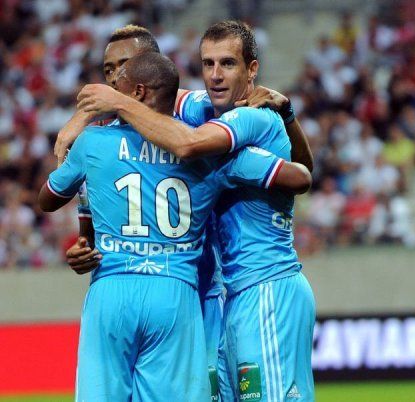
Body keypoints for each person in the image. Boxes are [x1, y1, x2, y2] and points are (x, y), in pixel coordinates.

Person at [39, 52, 312, 401]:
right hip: (178, 292)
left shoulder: (95, 142)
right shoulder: (210, 150)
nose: (112, 89)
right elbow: (299, 176)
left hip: (114, 285)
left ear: (136, 92)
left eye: (117, 81)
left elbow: (47, 198)